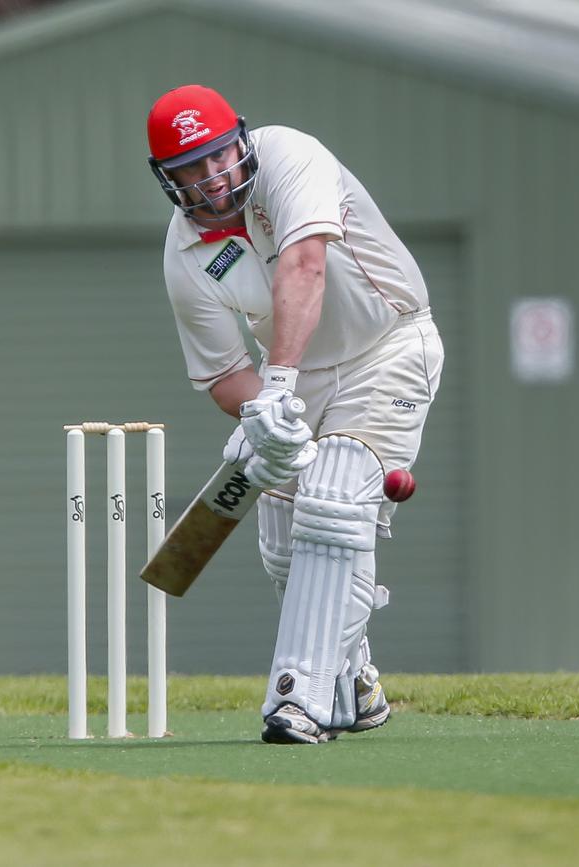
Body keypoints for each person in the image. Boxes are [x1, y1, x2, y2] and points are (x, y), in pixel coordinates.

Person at [146, 84, 444, 745]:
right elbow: (224, 374)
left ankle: (298, 699)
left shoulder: (291, 156)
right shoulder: (184, 256)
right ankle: (357, 680)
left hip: (387, 345)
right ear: (167, 179)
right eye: (189, 170)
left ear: (241, 143)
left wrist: (276, 385)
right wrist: (263, 417)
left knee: (334, 499)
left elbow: (305, 267)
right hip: (297, 375)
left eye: (217, 157)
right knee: (285, 548)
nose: (211, 178)